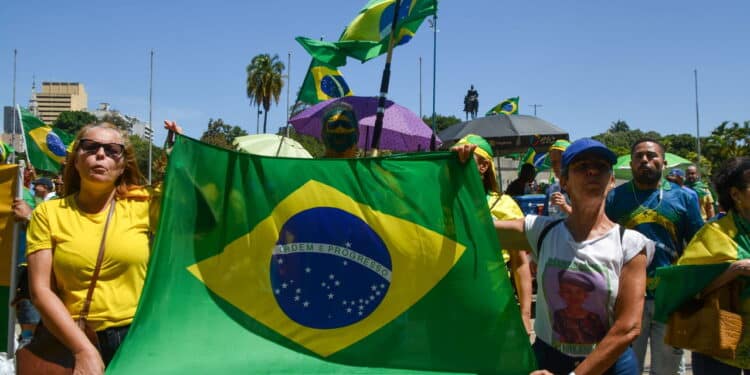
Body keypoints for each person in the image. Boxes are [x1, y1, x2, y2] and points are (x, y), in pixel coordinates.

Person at [454, 138, 653, 374]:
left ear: (611, 180)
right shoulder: (542, 231)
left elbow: (628, 328)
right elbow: (470, 228)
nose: (592, 171)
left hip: (610, 365)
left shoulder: (629, 244)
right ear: (564, 181)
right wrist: (459, 176)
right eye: (581, 167)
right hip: (549, 361)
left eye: (600, 167)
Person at [26, 120, 182, 373]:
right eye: (90, 147)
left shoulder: (144, 206)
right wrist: (83, 350)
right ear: (75, 160)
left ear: (122, 165)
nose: (101, 154)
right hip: (70, 338)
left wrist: (179, 160)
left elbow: (203, 213)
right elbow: (41, 290)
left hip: (136, 340)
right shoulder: (49, 213)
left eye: (112, 150)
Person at [605, 138, 704, 375]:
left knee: (668, 366)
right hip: (626, 297)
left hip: (670, 298)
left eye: (651, 156)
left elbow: (698, 245)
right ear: (631, 163)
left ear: (664, 162)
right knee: (627, 366)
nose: (645, 161)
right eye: (639, 157)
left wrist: (693, 287)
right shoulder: (614, 198)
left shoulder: (685, 197)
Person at [672, 156, 750, 374]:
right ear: (735, 194)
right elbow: (687, 289)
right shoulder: (713, 234)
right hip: (718, 343)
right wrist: (735, 270)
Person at [454, 134, 533, 335]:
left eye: (466, 159)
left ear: (484, 166)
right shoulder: (443, 201)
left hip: (495, 303)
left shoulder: (504, 205)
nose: (458, 163)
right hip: (453, 302)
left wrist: (524, 315)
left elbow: (520, 263)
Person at [545, 139, 573, 218]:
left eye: (557, 162)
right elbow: (546, 217)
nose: (553, 166)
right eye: (552, 162)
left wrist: (565, 207)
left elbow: (586, 219)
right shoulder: (551, 190)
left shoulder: (581, 189)